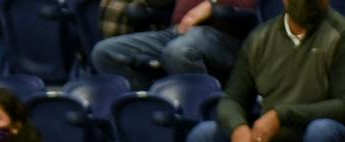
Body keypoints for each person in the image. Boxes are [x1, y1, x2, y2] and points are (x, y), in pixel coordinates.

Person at [183, 0, 345, 142]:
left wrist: (280, 116)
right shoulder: (260, 37)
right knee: (203, 136)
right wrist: (238, 128)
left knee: (321, 131)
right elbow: (232, 99)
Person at [90, 0, 257, 88]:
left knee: (179, 50)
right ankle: (155, 108)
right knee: (104, 53)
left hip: (224, 34)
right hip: (175, 31)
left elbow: (252, 9)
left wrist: (212, 6)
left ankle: (198, 114)